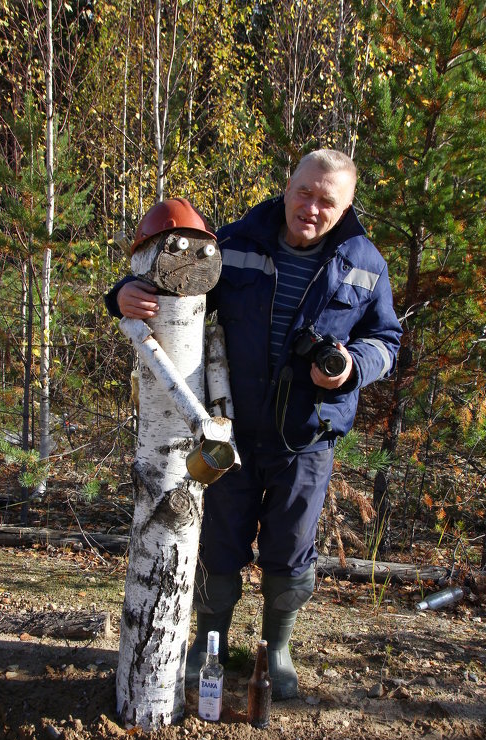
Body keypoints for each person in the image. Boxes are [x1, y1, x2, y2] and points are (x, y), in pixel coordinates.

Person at [105, 149, 402, 700]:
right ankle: (210, 643)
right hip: (230, 428)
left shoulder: (366, 263)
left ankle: (277, 649)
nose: (311, 208)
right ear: (288, 186)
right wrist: (121, 295)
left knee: (290, 548)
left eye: (327, 201)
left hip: (306, 439)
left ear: (348, 205)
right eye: (304, 193)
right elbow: (177, 292)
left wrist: (353, 368)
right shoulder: (238, 241)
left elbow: (387, 341)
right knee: (219, 542)